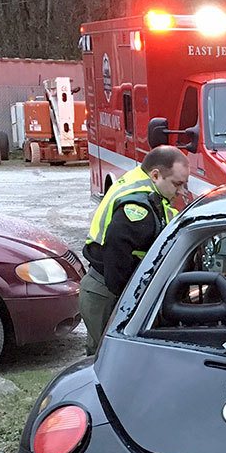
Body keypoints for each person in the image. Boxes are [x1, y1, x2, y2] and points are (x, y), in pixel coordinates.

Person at [79, 145, 190, 353]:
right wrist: (131, 304)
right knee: (109, 359)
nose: (181, 192)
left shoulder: (142, 183)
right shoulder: (138, 208)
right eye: (177, 184)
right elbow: (117, 265)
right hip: (106, 294)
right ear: (155, 175)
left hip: (103, 288)